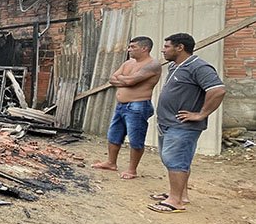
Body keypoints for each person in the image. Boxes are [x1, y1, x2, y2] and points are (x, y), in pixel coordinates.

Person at [148, 32, 225, 213]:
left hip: (182, 126)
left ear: (180, 47)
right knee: (175, 160)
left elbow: (218, 90)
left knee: (176, 161)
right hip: (169, 123)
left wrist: (201, 114)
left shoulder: (198, 67)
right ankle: (180, 194)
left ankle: (175, 202)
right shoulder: (176, 66)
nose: (163, 50)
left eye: (167, 46)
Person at [92, 36, 161, 179]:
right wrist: (127, 80)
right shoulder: (128, 63)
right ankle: (111, 163)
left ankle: (132, 170)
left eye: (133, 47)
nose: (129, 49)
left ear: (144, 48)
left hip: (138, 105)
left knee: (136, 139)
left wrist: (125, 80)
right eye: (129, 46)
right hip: (121, 105)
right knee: (114, 135)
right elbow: (112, 79)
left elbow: (131, 81)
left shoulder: (153, 64)